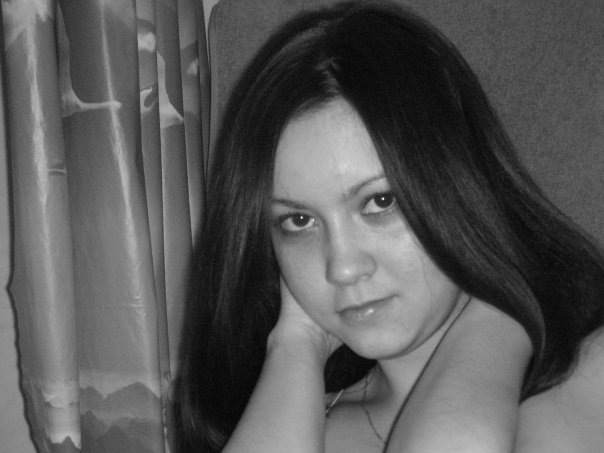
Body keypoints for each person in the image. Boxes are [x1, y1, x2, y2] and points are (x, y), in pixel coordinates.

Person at [173, 1, 604, 452]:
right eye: (299, 221)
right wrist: (294, 345)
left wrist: (506, 302)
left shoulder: (585, 374)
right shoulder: (293, 418)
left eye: (380, 202)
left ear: (462, 187)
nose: (343, 267)